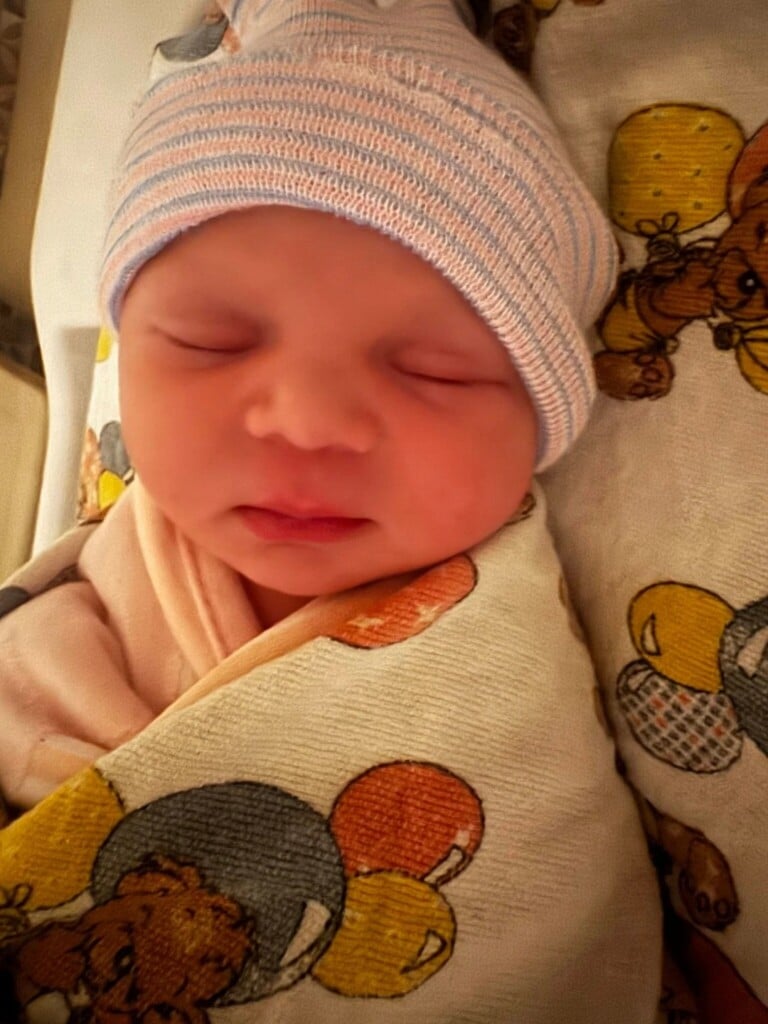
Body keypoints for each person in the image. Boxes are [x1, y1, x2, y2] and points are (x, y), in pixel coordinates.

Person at [0, 2, 663, 1021]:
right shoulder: (72, 613)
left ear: (543, 424)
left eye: (433, 370)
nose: (307, 423)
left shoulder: (516, 663)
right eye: (213, 342)